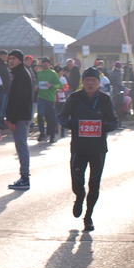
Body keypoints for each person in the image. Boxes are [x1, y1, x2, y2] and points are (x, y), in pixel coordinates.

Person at [58, 67, 118, 232]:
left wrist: (102, 127)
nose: (90, 83)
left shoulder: (105, 99)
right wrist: (74, 125)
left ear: (99, 83)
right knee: (77, 181)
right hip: (79, 147)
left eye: (93, 81)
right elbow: (62, 117)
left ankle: (88, 216)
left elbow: (114, 121)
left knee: (94, 183)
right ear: (82, 82)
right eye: (87, 80)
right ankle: (79, 197)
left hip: (98, 148)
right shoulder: (75, 98)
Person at [5, 49, 33, 190]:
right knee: (21, 146)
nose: (11, 61)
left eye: (14, 59)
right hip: (20, 116)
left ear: (20, 60)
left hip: (20, 117)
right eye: (9, 58)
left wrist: (12, 119)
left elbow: (20, 100)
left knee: (21, 146)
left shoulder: (21, 74)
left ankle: (25, 178)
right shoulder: (18, 73)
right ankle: (24, 177)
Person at [36, 57, 61, 143]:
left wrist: (51, 85)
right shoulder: (39, 73)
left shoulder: (53, 73)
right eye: (44, 63)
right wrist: (36, 86)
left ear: (49, 64)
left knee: (50, 118)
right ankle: (42, 134)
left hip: (50, 99)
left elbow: (59, 85)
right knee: (40, 116)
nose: (45, 64)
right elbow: (36, 83)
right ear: (42, 64)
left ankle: (52, 136)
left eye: (47, 63)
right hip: (41, 98)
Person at [0, 50, 11, 129]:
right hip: (1, 89)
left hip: (7, 89)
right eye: (4, 55)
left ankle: (2, 121)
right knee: (0, 107)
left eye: (6, 55)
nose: (6, 57)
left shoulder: (6, 65)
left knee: (4, 107)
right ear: (0, 56)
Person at [54, 65, 69, 137]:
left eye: (61, 71)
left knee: (62, 116)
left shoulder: (63, 79)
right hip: (54, 99)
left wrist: (59, 89)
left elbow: (66, 88)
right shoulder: (53, 78)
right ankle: (56, 131)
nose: (61, 73)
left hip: (62, 99)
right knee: (55, 116)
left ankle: (62, 132)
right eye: (59, 72)